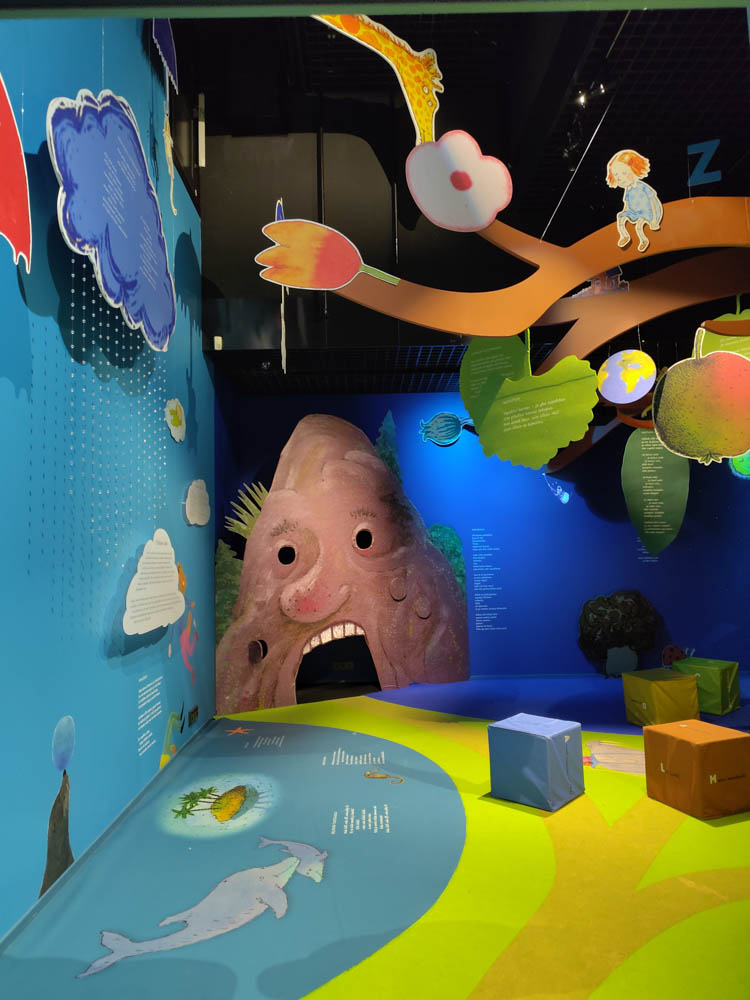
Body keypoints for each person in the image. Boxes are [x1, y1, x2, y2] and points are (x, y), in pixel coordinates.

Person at [606, 149, 663, 252]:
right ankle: (625, 236)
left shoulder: (642, 187)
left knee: (638, 226)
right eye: (617, 176)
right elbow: (627, 203)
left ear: (635, 169)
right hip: (634, 211)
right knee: (620, 217)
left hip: (648, 212)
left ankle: (644, 240)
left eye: (624, 173)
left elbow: (653, 201)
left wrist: (655, 219)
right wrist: (625, 212)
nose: (621, 179)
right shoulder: (628, 189)